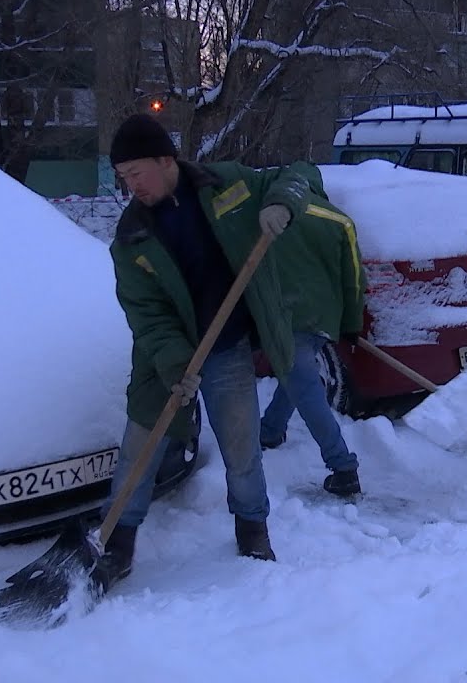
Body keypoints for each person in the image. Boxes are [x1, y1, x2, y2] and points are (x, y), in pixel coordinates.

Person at [96, 113, 309, 585]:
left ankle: (252, 527)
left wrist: (281, 204)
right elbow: (147, 315)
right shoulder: (131, 239)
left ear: (166, 160)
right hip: (165, 360)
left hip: (227, 348)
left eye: (137, 173)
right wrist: (175, 363)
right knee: (140, 451)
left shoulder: (226, 184)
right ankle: (116, 543)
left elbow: (299, 174)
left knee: (241, 444)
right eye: (123, 178)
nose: (131, 186)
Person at [258, 163, 367, 497]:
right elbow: (354, 280)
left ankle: (343, 466)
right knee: (298, 375)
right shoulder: (340, 221)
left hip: (282, 316)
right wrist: (351, 325)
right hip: (321, 319)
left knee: (302, 381)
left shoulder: (267, 215)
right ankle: (270, 431)